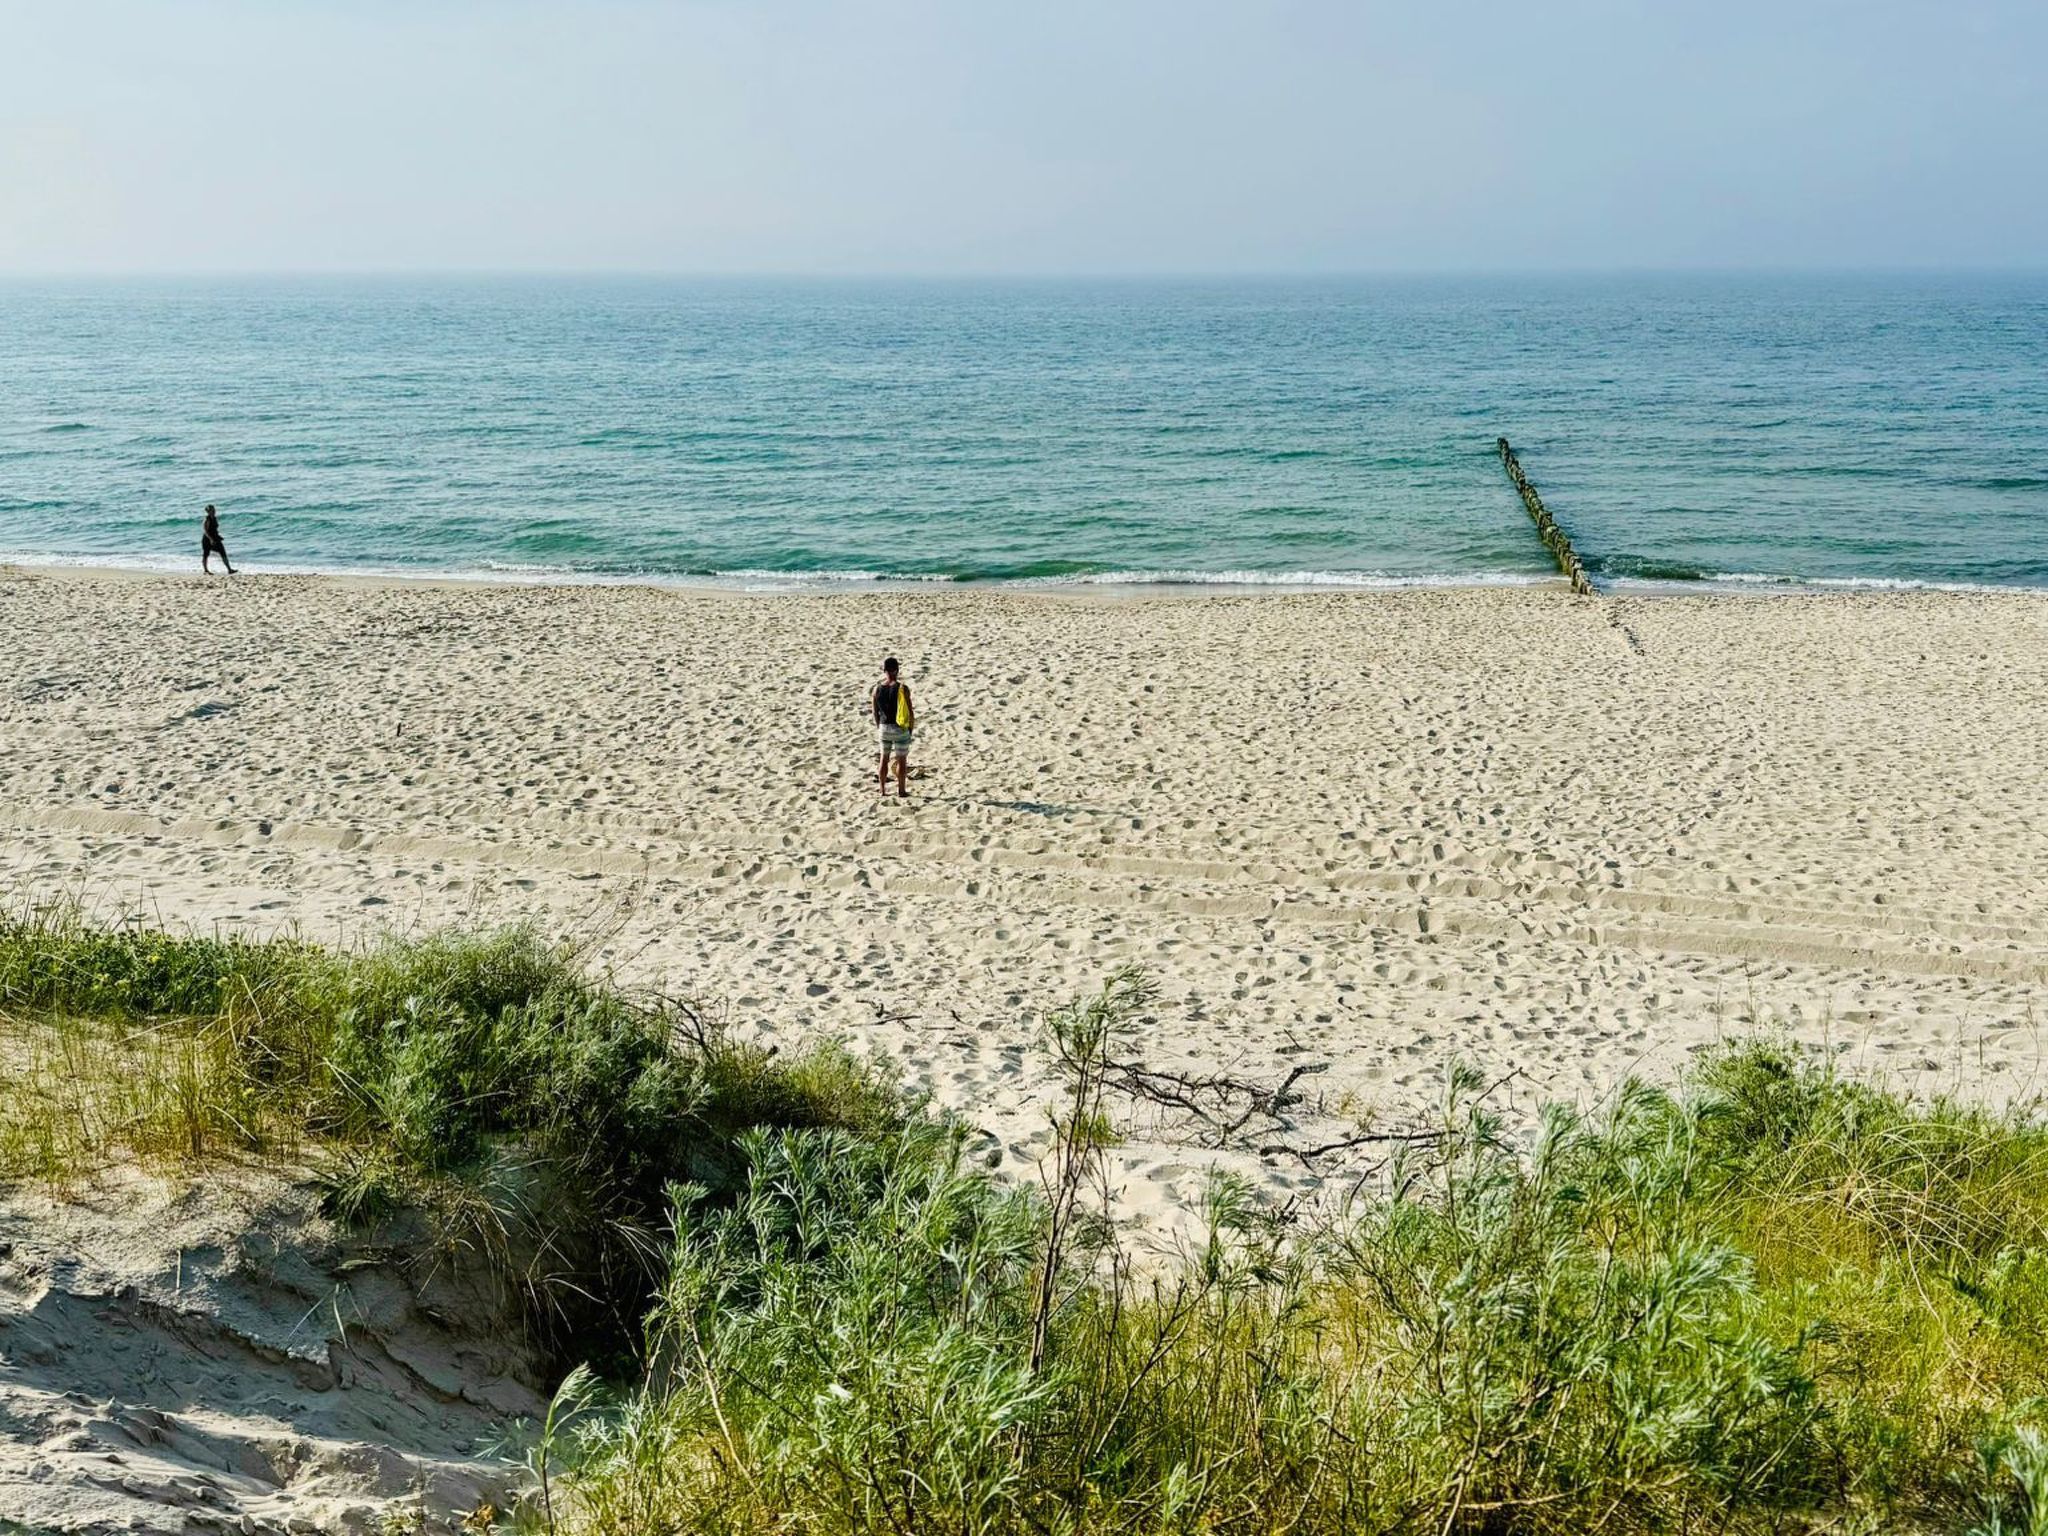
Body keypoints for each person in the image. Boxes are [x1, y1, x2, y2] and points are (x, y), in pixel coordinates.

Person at [869, 657, 914, 799]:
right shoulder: (903, 689)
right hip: (900, 728)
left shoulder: (876, 689)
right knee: (901, 760)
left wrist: (879, 726)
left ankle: (882, 790)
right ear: (897, 670)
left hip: (884, 727)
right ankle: (901, 791)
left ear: (884, 670)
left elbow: (875, 712)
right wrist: (910, 729)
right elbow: (910, 712)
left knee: (884, 759)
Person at [200, 504, 235, 575]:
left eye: (214, 510)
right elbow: (205, 531)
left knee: (223, 552)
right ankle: (206, 570)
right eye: (212, 510)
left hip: (216, 538)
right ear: (208, 511)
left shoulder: (214, 518)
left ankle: (229, 569)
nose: (214, 511)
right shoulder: (207, 519)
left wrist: (218, 536)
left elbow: (214, 529)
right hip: (207, 539)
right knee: (206, 554)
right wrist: (211, 539)